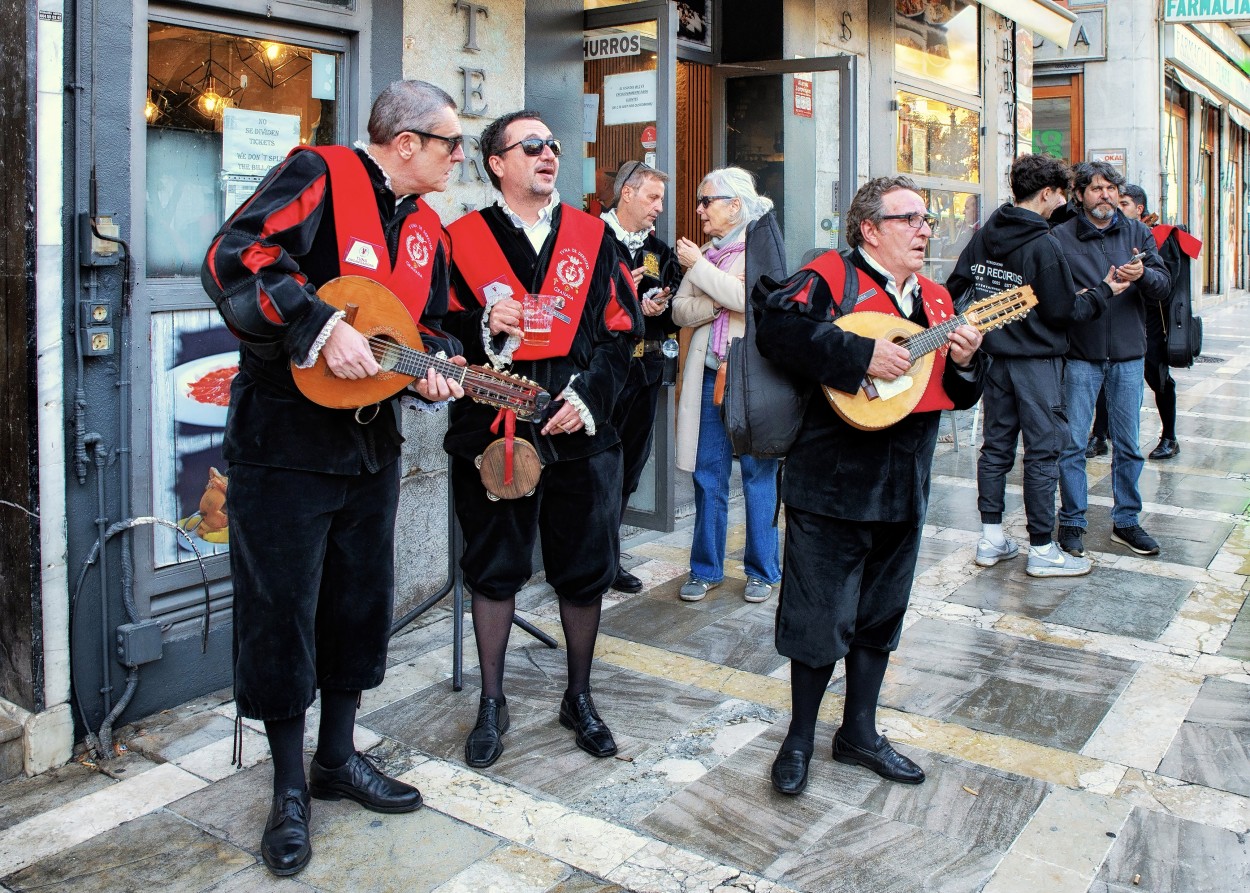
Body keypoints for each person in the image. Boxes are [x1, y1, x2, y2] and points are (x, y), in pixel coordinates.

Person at [200, 80, 467, 877]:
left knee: (358, 603)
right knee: (281, 609)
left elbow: (435, 323)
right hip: (281, 445)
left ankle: (337, 758)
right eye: (452, 143)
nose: (461, 156)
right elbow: (235, 252)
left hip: (368, 448)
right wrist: (314, 321)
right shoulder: (319, 172)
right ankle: (287, 791)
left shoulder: (429, 229)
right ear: (407, 141)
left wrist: (439, 366)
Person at [755, 176, 986, 795]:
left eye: (926, 219)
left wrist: (966, 361)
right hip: (828, 483)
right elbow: (775, 328)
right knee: (816, 615)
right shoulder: (828, 276)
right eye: (908, 218)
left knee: (880, 615)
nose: (924, 228)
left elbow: (957, 395)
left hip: (904, 483)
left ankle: (859, 731)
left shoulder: (937, 302)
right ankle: (799, 737)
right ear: (870, 229)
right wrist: (857, 356)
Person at [442, 110, 641, 770]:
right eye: (531, 145)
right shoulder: (460, 239)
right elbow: (430, 332)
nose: (548, 153)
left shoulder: (593, 236)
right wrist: (478, 323)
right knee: (494, 568)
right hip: (493, 431)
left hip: (580, 432)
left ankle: (578, 696)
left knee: (584, 571)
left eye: (553, 143)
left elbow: (623, 332)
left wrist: (588, 398)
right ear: (496, 163)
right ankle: (493, 701)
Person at [946, 154, 1122, 577]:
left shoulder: (988, 231)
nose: (1062, 204)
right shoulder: (1043, 244)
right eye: (1060, 195)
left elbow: (958, 285)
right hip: (1038, 364)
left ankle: (990, 539)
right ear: (1047, 193)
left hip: (993, 359)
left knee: (995, 449)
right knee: (1043, 453)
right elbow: (1063, 312)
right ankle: (1042, 548)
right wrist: (1105, 291)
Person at [671, 167, 786, 605]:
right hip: (707, 376)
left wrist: (702, 273)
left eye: (707, 201)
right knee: (708, 475)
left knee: (759, 475)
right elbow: (680, 310)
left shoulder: (760, 250)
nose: (700, 209)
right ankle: (705, 569)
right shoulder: (705, 254)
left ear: (734, 205)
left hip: (751, 379)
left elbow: (749, 301)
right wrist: (715, 293)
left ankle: (762, 571)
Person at [1052, 162, 1171, 559]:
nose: (1104, 195)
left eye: (1110, 188)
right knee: (1072, 444)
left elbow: (1163, 287)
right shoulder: (1061, 237)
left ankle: (1127, 521)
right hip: (1080, 355)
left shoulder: (1138, 232)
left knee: (1129, 444)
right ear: (1080, 194)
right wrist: (1089, 292)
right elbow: (1056, 297)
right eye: (1096, 189)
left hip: (1128, 356)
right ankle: (1071, 521)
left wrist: (1143, 276)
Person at [603, 161, 683, 593]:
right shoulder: (591, 239)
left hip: (644, 373)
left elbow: (673, 314)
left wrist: (660, 308)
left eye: (661, 200)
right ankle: (586, 560)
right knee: (594, 469)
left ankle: (609, 559)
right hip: (599, 378)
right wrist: (626, 298)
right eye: (653, 198)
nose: (658, 208)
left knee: (628, 469)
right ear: (627, 193)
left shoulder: (660, 251)